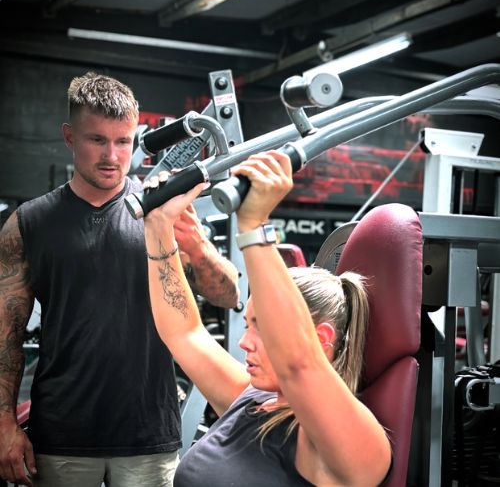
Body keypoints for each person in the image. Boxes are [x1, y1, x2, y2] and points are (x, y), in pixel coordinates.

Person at [0, 72, 239, 487]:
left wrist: (198, 248)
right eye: (97, 140)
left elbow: (229, 295)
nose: (112, 155)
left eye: (123, 141)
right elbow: (6, 335)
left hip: (148, 435)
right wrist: (4, 422)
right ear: (70, 136)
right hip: (62, 435)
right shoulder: (28, 223)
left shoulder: (161, 211)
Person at [143, 150, 392, 486]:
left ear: (320, 339)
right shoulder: (250, 398)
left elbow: (300, 365)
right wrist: (159, 226)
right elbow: (184, 332)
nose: (244, 342)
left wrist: (254, 225)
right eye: (249, 324)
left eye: (261, 328)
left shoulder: (353, 447)